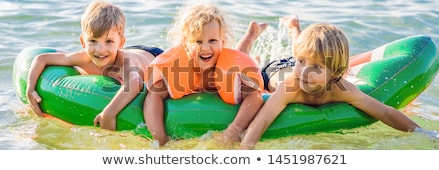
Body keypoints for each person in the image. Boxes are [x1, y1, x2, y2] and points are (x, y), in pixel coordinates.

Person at [239, 15, 423, 150]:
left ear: (335, 73)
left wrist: (421, 132)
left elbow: (384, 111)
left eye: (317, 68)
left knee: (307, 53)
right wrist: (246, 149)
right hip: (276, 71)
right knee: (250, 69)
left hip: (296, 62)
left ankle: (295, 30)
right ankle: (253, 35)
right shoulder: (291, 86)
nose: (305, 72)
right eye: (301, 63)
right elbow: (262, 120)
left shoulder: (341, 89)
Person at [26, 0, 164, 131]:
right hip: (126, 50)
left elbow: (135, 82)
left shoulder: (124, 62)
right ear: (83, 41)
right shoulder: (83, 58)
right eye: (93, 41)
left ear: (121, 42)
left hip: (152, 55)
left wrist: (109, 113)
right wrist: (30, 89)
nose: (100, 49)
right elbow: (41, 59)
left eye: (108, 41)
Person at [143, 2, 266, 146]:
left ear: (222, 41)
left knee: (241, 57)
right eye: (198, 42)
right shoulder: (179, 70)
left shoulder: (229, 68)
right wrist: (161, 138)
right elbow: (154, 94)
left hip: (233, 63)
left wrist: (234, 130)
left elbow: (255, 96)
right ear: (185, 45)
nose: (206, 48)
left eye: (212, 40)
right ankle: (251, 37)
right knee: (238, 56)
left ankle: (251, 35)